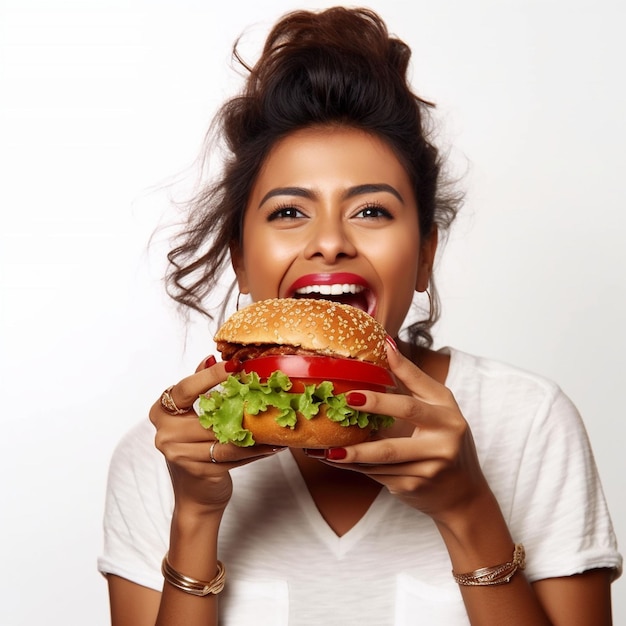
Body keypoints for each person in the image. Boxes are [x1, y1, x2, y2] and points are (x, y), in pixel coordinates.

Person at [98, 7, 621, 625]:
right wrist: (195, 514)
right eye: (289, 212)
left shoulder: (528, 420)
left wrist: (466, 507)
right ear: (240, 260)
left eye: (371, 211)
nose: (329, 242)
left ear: (425, 256)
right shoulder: (163, 453)